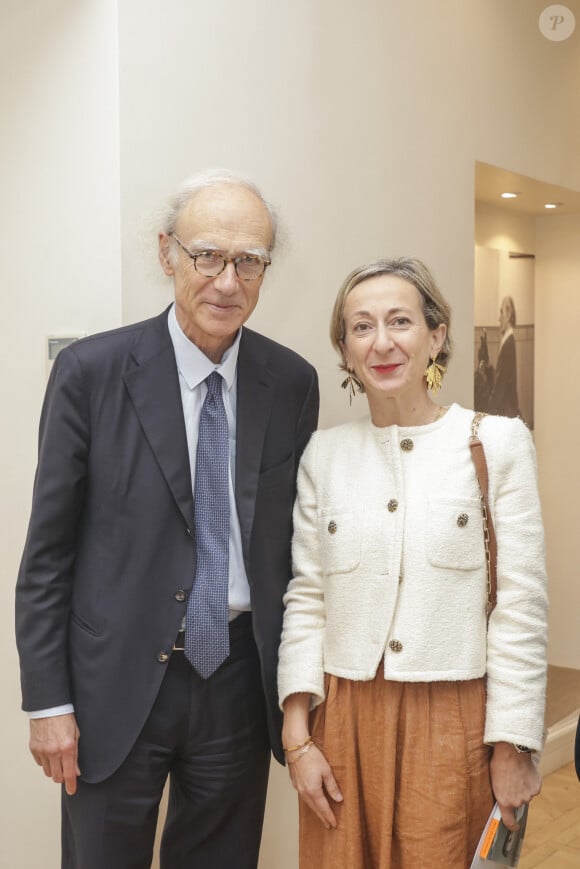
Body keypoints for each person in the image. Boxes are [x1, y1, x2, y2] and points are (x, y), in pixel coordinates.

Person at [15, 169, 319, 869]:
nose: (227, 280)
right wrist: (48, 702)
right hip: (111, 685)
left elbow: (294, 552)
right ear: (166, 254)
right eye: (207, 254)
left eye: (250, 261)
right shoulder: (92, 372)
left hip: (240, 683)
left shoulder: (292, 383)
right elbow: (47, 557)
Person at [278, 258, 547, 869]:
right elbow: (308, 596)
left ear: (437, 334)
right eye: (361, 327)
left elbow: (520, 608)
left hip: (454, 722)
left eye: (400, 321)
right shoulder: (325, 453)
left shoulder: (495, 443)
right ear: (344, 349)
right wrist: (298, 740)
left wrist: (514, 745)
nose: (382, 342)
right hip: (341, 720)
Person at [489, 295, 519, 418]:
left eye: (502, 312)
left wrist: (492, 408)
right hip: (506, 405)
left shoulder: (508, 343)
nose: (499, 318)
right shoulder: (507, 340)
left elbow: (502, 381)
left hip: (506, 408)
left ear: (509, 314)